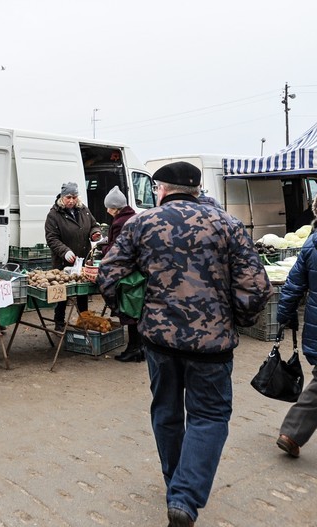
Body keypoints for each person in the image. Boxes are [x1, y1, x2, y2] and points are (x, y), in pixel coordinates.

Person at [97, 161, 273, 526]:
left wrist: (134, 313)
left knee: (166, 411)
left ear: (161, 189)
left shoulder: (142, 223)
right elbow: (257, 287)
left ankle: (175, 485)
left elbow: (109, 273)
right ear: (195, 189)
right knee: (208, 416)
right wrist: (235, 318)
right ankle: (185, 496)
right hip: (213, 344)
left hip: (159, 341)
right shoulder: (228, 224)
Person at [275, 194, 317, 459]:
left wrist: (284, 315)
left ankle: (292, 433)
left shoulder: (312, 242)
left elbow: (293, 285)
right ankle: (292, 432)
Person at [45, 182, 101, 330]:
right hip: (63, 263)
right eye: (68, 197)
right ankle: (59, 322)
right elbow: (52, 238)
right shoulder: (54, 215)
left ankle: (84, 320)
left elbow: (94, 224)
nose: (71, 200)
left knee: (82, 292)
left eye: (74, 197)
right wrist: (65, 251)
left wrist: (94, 233)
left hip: (82, 258)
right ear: (62, 197)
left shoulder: (84, 210)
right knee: (62, 294)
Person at [100, 186, 141, 362]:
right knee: (136, 308)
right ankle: (140, 348)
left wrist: (103, 248)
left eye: (108, 207)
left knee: (128, 308)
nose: (107, 211)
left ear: (115, 207)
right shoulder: (135, 217)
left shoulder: (119, 222)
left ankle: (134, 349)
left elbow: (116, 248)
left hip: (124, 270)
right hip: (137, 268)